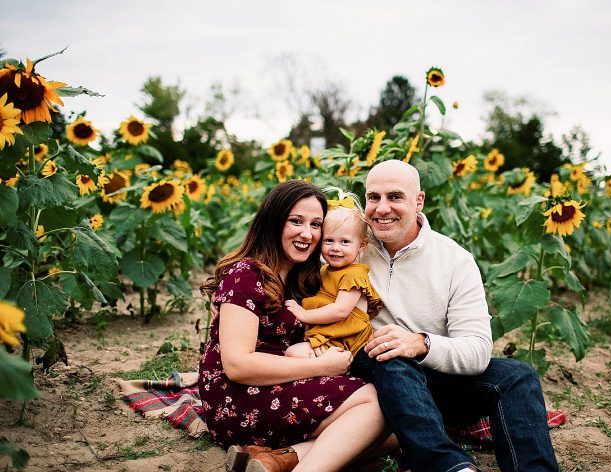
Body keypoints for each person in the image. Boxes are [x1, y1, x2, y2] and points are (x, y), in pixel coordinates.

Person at [347, 159, 559, 471]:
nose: (381, 208)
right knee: (388, 353)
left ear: (418, 201)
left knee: (518, 375)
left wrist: (422, 344)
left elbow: (477, 350)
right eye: (373, 197)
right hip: (376, 378)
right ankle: (450, 466)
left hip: (435, 377)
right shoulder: (348, 247)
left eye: (394, 197)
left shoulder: (454, 260)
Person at [198, 180, 389, 472]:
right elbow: (238, 365)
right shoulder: (246, 275)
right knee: (377, 406)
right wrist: (323, 367)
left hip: (282, 382)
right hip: (240, 397)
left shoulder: (304, 279)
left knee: (396, 426)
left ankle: (278, 459)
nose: (307, 233)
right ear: (273, 222)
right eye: (296, 221)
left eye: (316, 225)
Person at [284, 194, 383, 357]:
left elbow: (340, 311)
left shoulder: (354, 275)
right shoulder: (325, 270)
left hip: (347, 339)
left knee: (293, 353)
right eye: (329, 240)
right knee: (294, 353)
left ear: (362, 245)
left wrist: (305, 314)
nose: (335, 248)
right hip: (330, 334)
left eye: (345, 242)